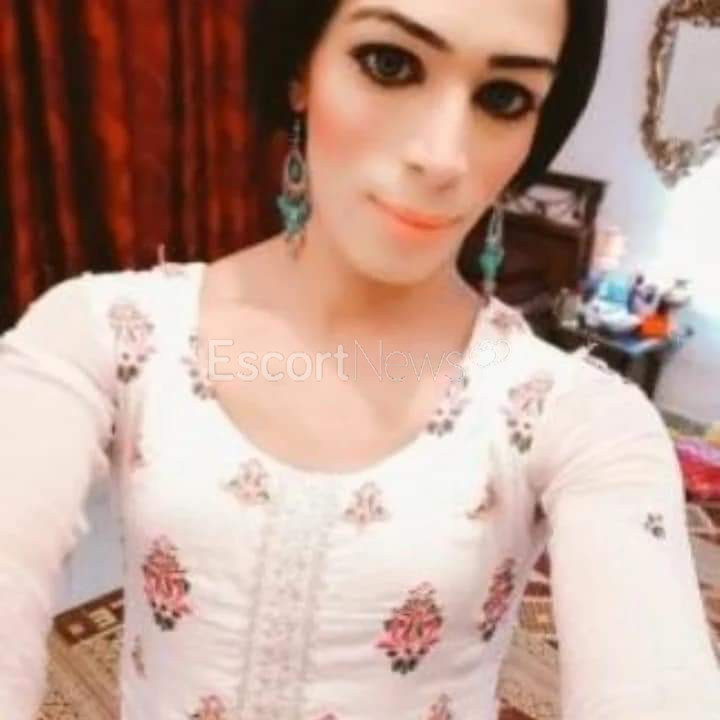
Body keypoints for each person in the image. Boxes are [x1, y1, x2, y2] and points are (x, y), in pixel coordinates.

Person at [1, 1, 719, 718]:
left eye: (503, 98)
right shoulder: (102, 333)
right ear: (300, 70)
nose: (442, 156)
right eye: (390, 63)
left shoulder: (582, 418)